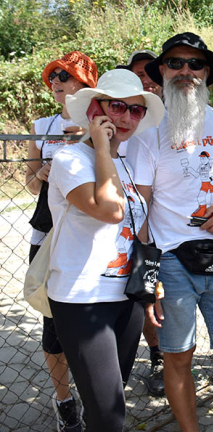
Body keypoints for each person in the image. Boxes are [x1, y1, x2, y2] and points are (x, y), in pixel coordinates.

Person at [126, 32, 213, 432]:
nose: (186, 71)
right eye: (175, 63)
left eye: (195, 64)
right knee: (178, 357)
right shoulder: (148, 131)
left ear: (207, 73)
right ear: (162, 72)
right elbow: (139, 211)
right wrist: (148, 279)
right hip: (171, 264)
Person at [46, 68, 164, 431]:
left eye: (136, 110)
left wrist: (149, 286)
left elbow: (137, 232)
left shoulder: (122, 166)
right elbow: (111, 211)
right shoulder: (71, 161)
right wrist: (100, 147)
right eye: (117, 107)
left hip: (125, 298)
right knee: (109, 418)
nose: (126, 118)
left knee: (111, 403)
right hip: (82, 299)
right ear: (95, 109)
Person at [24, 50, 98, 432]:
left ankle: (96, 397)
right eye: (53, 77)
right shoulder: (41, 125)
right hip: (48, 233)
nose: (57, 83)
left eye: (65, 77)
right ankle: (64, 401)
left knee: (88, 320)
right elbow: (29, 182)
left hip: (88, 233)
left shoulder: (101, 122)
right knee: (51, 323)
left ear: (86, 84)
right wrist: (46, 172)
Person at [116, 48, 165, 396]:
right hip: (131, 228)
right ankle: (157, 357)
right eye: (138, 77)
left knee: (166, 301)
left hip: (169, 229)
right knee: (145, 298)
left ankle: (174, 359)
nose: (145, 81)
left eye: (149, 75)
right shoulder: (122, 121)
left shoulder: (169, 123)